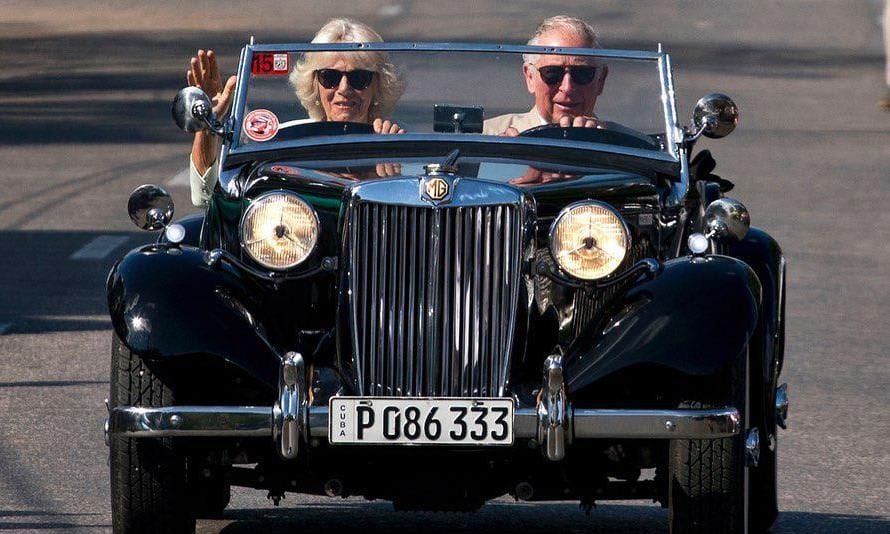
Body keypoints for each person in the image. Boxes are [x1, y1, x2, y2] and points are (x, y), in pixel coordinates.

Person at [187, 18, 406, 206]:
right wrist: (207, 125)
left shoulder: (406, 148)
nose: (343, 89)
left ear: (377, 85)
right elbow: (207, 198)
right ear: (314, 84)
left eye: (360, 78)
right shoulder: (281, 141)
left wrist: (390, 165)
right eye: (329, 77)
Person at [483, 15, 607, 136]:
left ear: (600, 80)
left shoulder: (620, 144)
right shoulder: (486, 137)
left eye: (582, 74)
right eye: (552, 74)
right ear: (530, 77)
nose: (567, 88)